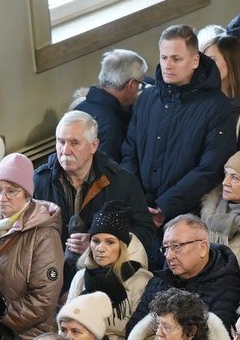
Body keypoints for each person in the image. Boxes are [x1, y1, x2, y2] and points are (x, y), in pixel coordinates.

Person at [121, 24, 236, 225]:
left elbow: (210, 168)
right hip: (139, 209)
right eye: (164, 57)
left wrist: (164, 207)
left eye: (176, 59)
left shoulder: (217, 106)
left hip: (187, 215)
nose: (168, 65)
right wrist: (138, 200)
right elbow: (129, 152)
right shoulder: (146, 98)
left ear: (195, 61)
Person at [34, 112, 155, 277]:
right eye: (61, 142)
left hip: (107, 277)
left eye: (75, 143)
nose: (65, 150)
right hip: (51, 276)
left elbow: (145, 231)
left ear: (94, 145)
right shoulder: (40, 180)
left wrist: (98, 245)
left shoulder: (122, 182)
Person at [66, 204, 154, 340]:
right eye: (95, 241)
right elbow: (67, 322)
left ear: (122, 246)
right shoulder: (81, 276)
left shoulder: (141, 280)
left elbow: (141, 335)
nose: (100, 248)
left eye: (110, 242)